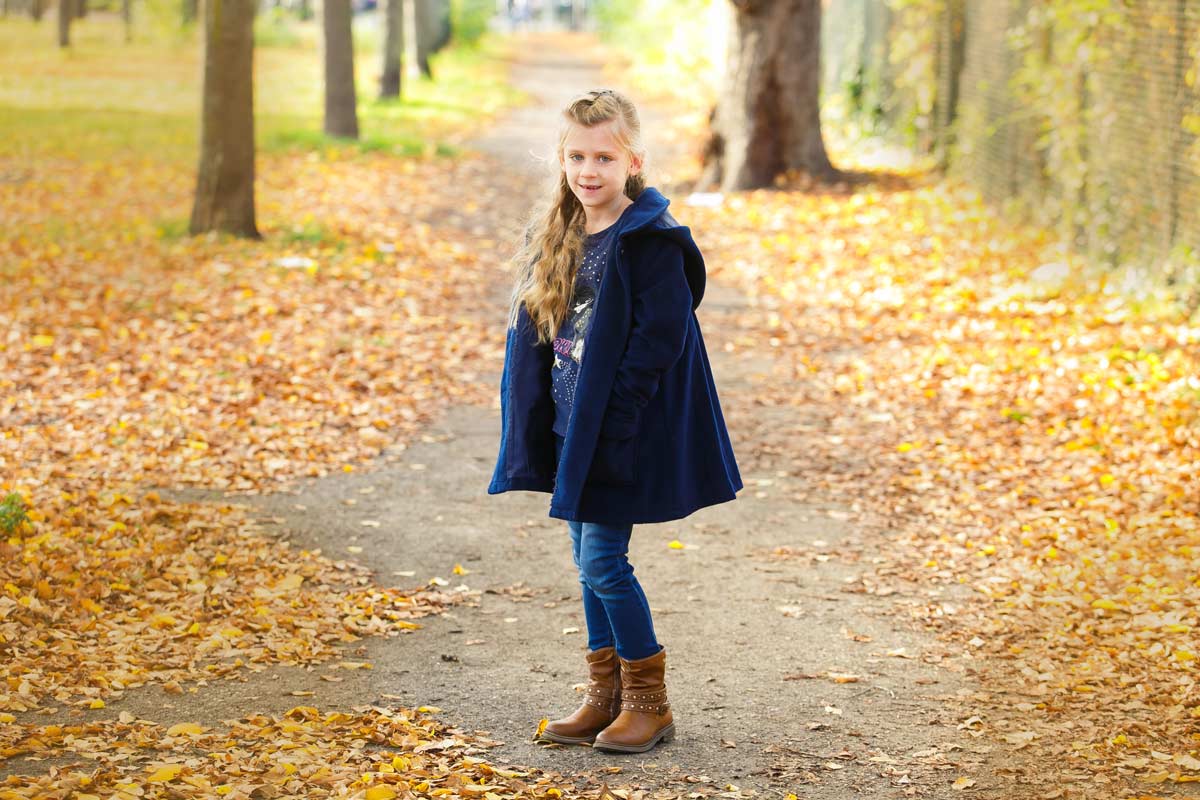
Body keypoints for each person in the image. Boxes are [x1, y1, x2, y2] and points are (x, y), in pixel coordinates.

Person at [487, 88, 742, 754]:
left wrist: (617, 421)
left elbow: (659, 343)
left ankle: (650, 704)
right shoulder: (562, 232)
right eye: (576, 156)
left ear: (634, 161)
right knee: (584, 560)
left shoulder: (649, 243)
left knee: (603, 559)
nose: (588, 170)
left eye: (603, 156)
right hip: (574, 426)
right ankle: (605, 698)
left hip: (619, 430)